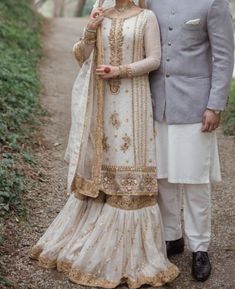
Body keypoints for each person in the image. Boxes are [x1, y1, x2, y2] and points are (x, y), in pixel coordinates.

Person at [30, 0, 180, 287]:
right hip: (103, 103)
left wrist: (120, 70)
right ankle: (92, 239)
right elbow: (81, 55)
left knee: (129, 167)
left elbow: (155, 60)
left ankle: (132, 252)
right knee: (104, 166)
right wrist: (90, 28)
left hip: (134, 101)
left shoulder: (146, 17)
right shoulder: (101, 13)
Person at [146, 0, 234, 282]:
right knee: (163, 178)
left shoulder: (213, 3)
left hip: (197, 107)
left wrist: (215, 105)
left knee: (196, 181)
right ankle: (172, 237)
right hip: (158, 104)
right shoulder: (152, 2)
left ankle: (200, 247)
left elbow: (224, 57)